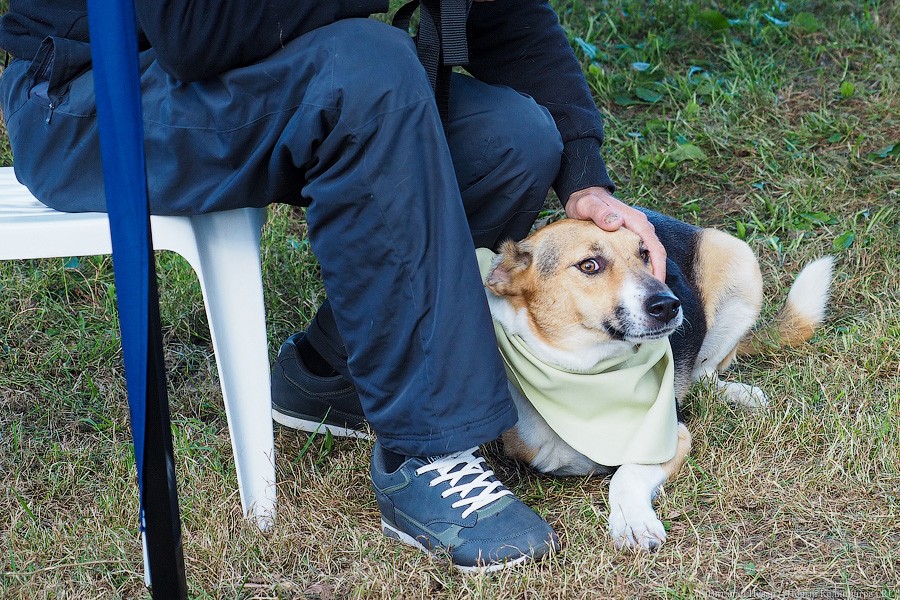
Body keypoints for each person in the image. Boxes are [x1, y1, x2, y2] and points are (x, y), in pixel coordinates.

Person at [0, 0, 665, 572]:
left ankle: (332, 374)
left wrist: (586, 178)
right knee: (369, 68)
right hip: (89, 100)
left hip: (253, 80)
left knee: (510, 139)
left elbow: (505, 16)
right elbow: (192, 30)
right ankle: (427, 451)